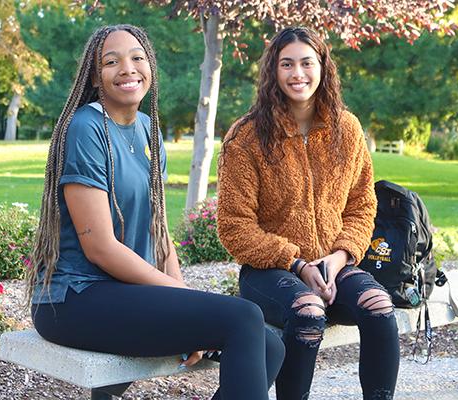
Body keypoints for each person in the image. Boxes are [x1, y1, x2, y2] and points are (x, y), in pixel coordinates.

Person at [25, 24, 285, 400]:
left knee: (270, 346)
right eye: (111, 62)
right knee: (243, 317)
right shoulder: (84, 128)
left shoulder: (149, 130)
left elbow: (158, 229)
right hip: (73, 298)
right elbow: (99, 248)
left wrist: (186, 303)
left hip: (123, 292)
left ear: (150, 67)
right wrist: (180, 294)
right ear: (95, 78)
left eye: (137, 58)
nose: (127, 68)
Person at [217, 27, 400, 400]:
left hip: (334, 265)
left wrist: (339, 257)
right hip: (270, 272)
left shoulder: (345, 130)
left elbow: (362, 205)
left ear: (323, 67)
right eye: (287, 64)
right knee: (308, 311)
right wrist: (298, 263)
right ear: (273, 71)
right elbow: (234, 227)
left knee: (380, 306)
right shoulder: (247, 137)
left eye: (306, 63)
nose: (297, 73)